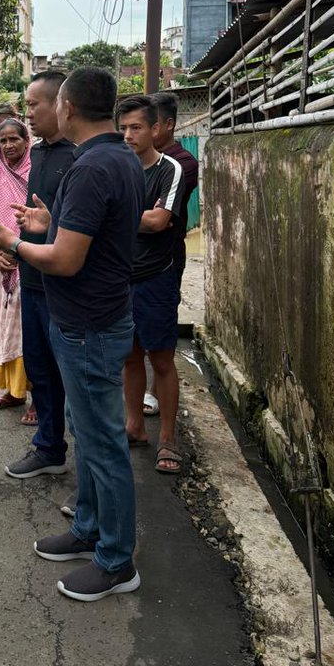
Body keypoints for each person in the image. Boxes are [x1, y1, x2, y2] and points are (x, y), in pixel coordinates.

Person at [0, 67, 144, 602]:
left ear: (68, 108)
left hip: (89, 326)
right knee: (90, 435)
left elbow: (66, 259)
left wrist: (14, 242)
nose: (38, 112)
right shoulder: (115, 157)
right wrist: (48, 222)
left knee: (102, 444)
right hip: (93, 319)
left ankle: (117, 561)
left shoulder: (91, 166)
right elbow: (82, 237)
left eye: (44, 103)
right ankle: (89, 529)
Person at [3, 71, 76, 479]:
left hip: (63, 286)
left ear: (60, 104)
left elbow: (75, 233)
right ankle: (49, 447)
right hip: (32, 279)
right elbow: (43, 219)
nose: (27, 114)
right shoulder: (42, 154)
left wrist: (43, 230)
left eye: (33, 105)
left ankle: (89, 479)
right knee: (40, 369)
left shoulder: (80, 156)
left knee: (71, 378)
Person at [117, 95, 185, 476]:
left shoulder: (169, 169)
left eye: (136, 127)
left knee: (161, 358)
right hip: (122, 278)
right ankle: (135, 426)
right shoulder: (119, 168)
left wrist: (117, 216)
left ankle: (168, 438)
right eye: (123, 127)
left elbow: (159, 221)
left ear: (155, 128)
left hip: (157, 277)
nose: (128, 135)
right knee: (129, 356)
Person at [143, 91, 199, 419]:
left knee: (161, 334)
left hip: (166, 256)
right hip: (135, 258)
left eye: (149, 125)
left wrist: (129, 214)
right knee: (135, 338)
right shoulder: (137, 160)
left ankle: (154, 392)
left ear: (167, 124)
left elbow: (159, 220)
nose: (141, 133)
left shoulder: (182, 163)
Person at [0, 117, 32, 413]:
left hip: (31, 262)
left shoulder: (35, 172)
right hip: (3, 265)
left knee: (31, 331)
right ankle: (14, 392)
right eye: (3, 140)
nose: (9, 145)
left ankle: (39, 397)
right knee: (8, 329)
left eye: (15, 139)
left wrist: (19, 249)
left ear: (27, 141)